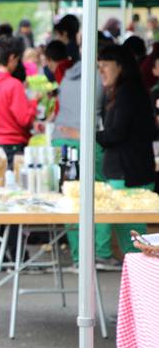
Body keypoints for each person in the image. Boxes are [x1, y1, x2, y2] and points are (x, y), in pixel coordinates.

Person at [53, 45, 114, 269]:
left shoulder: (68, 75)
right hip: (86, 138)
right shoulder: (100, 75)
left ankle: (79, 256)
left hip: (59, 138)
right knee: (100, 194)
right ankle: (102, 252)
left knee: (71, 198)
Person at [95, 45, 156, 256]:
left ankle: (143, 286)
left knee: (134, 245)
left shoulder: (128, 92)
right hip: (129, 171)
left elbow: (116, 134)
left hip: (129, 174)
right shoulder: (128, 91)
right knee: (131, 243)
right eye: (98, 67)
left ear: (120, 67)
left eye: (105, 66)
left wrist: (88, 135)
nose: (100, 71)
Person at [0, 36, 38, 167]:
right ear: (12, 58)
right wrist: (34, 102)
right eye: (17, 60)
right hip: (13, 147)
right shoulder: (13, 85)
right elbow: (25, 119)